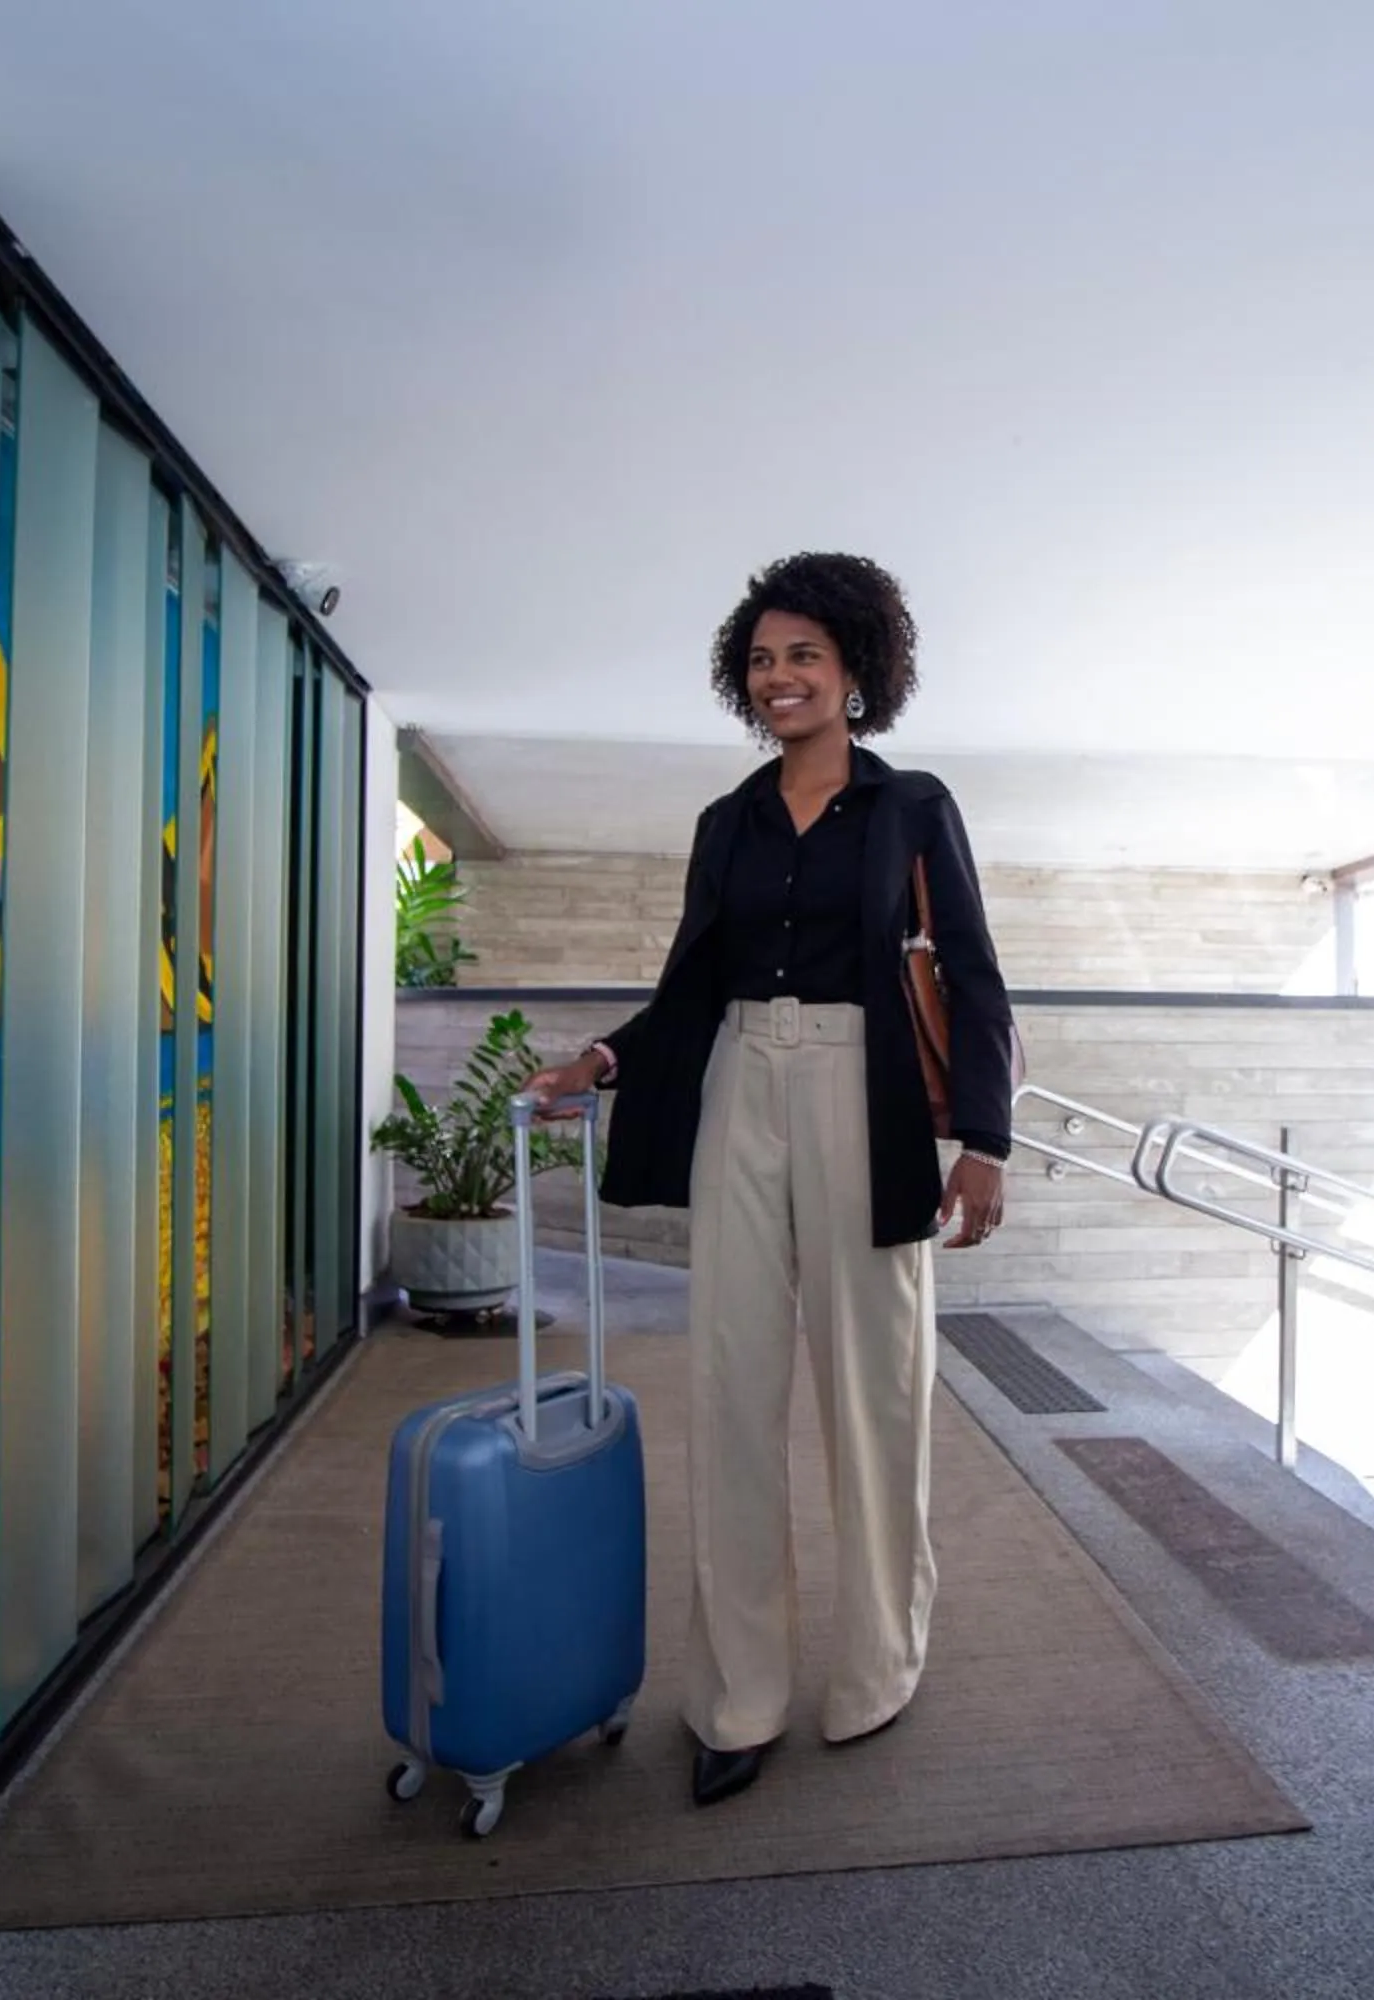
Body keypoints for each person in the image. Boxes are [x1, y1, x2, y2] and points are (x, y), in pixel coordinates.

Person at [524, 551, 1019, 1808]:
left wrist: (988, 1141)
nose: (782, 676)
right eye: (762, 659)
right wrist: (604, 1055)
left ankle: (875, 1666)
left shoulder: (913, 806)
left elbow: (968, 972)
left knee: (876, 1395)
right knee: (733, 1390)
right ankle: (736, 1695)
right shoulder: (725, 822)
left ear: (857, 670)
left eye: (805, 654)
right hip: (743, 1080)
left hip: (872, 1096)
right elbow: (693, 985)